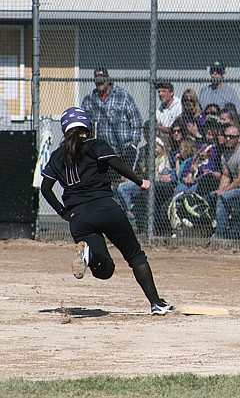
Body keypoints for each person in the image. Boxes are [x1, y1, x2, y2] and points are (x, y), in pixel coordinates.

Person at [39, 107, 173, 315]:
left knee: (105, 269)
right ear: (88, 127)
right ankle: (156, 303)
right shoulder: (95, 145)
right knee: (135, 256)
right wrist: (140, 181)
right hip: (106, 208)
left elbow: (45, 188)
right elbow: (116, 164)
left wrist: (63, 212)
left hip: (79, 218)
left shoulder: (57, 156)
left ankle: (88, 256)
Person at [81, 66, 143, 168]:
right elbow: (83, 125)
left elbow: (136, 121)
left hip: (122, 152)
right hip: (99, 153)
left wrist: (133, 146)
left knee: (122, 182)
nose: (99, 82)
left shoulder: (122, 96)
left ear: (108, 79)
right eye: (97, 80)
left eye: (102, 78)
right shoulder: (89, 100)